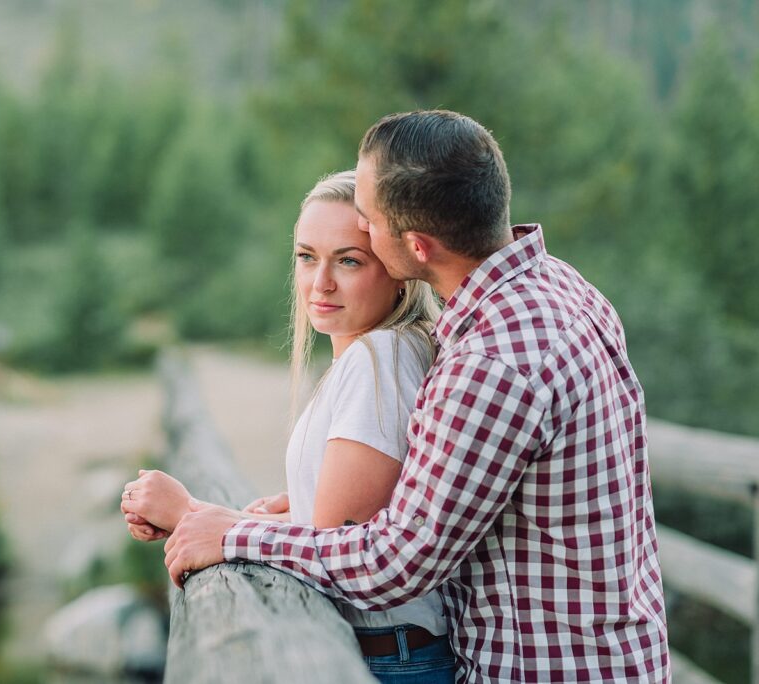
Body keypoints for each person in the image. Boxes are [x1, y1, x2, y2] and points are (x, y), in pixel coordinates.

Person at [162, 110, 670, 683]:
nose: (362, 227)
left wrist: (233, 534)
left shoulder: (493, 362)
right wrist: (311, 494)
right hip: (615, 655)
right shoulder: (560, 286)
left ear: (417, 248)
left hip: (545, 669)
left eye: (368, 224)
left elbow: (396, 563)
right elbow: (472, 480)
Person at [121, 170, 456, 682]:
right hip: (387, 653)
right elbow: (341, 527)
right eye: (306, 257)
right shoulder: (377, 355)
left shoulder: (381, 358)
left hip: (390, 661)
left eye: (348, 260)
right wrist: (288, 507)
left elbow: (341, 546)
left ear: (396, 268)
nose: (319, 282)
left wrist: (190, 513)